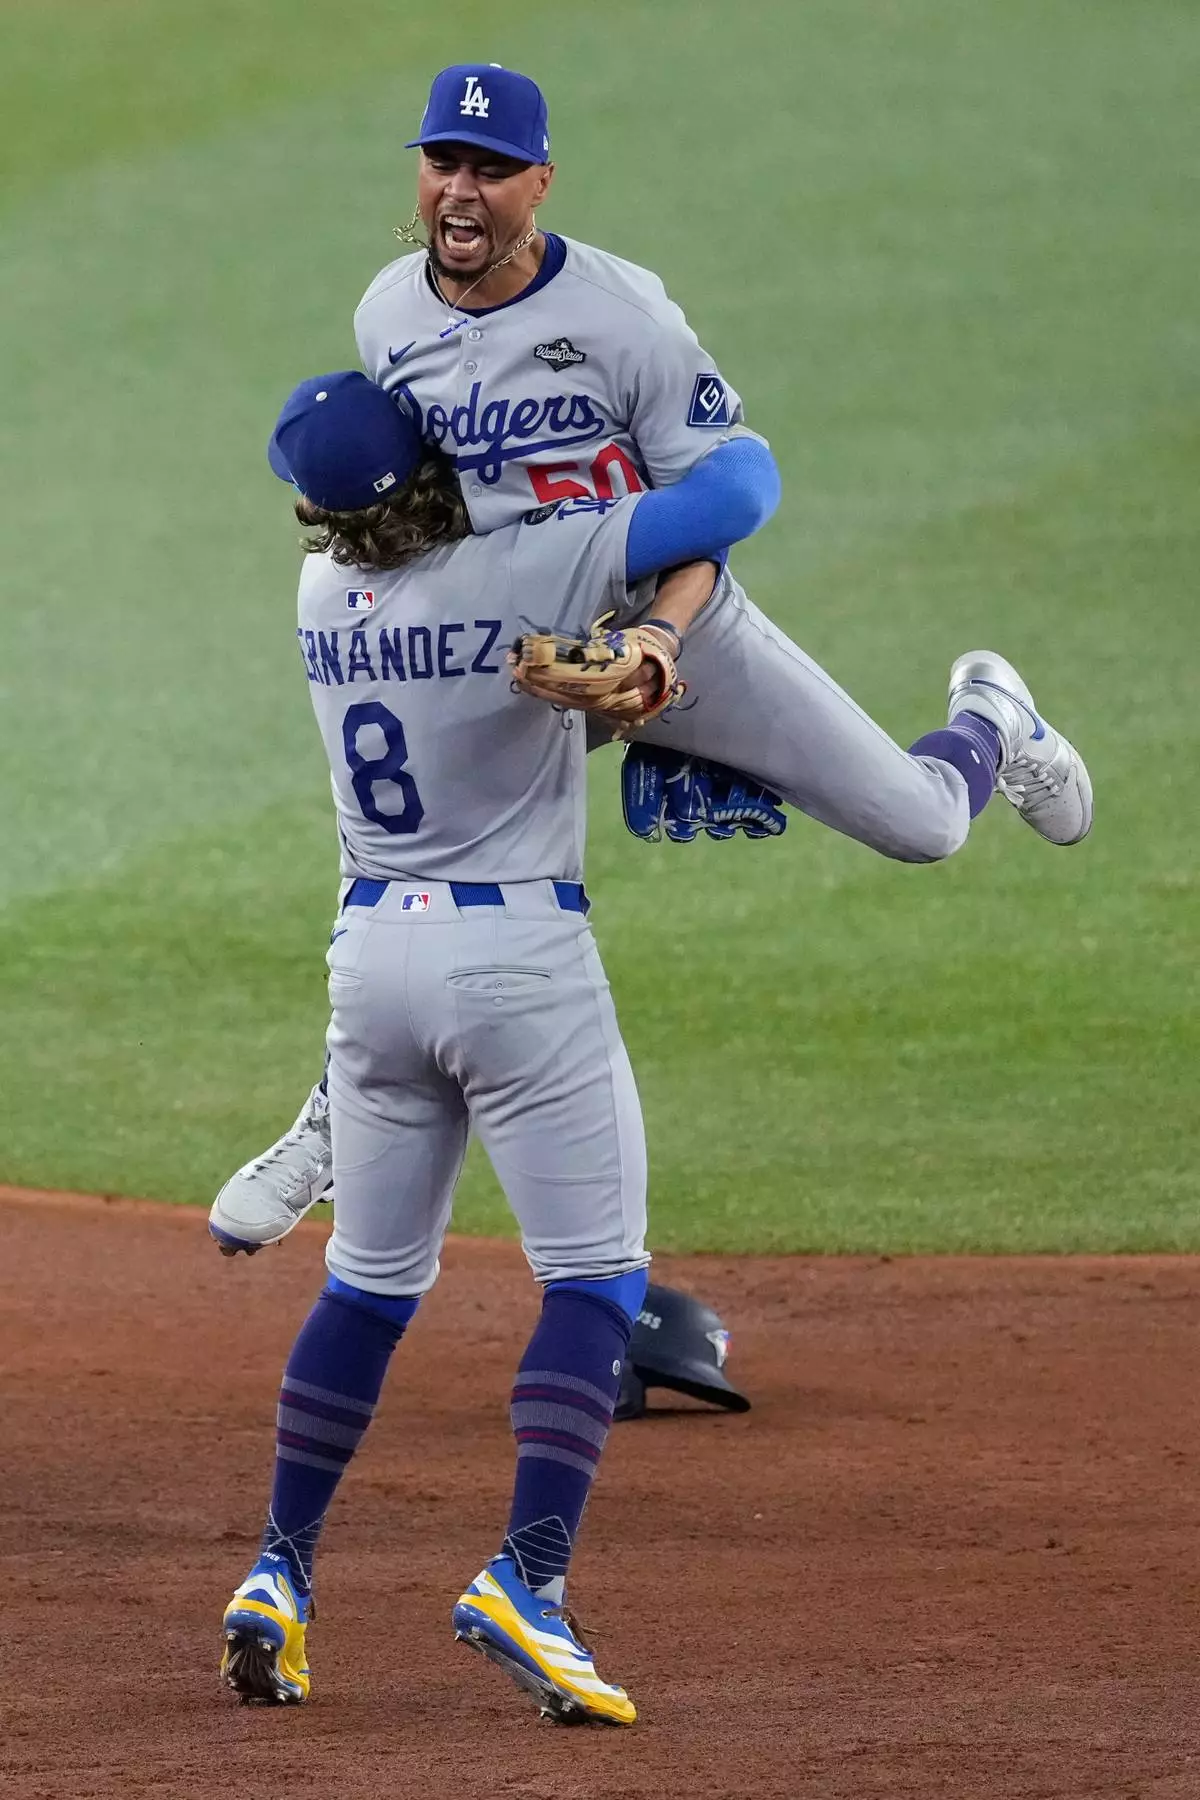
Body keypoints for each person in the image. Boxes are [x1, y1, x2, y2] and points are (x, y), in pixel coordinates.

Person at [209, 59, 1092, 1253]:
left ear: (542, 184)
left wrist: (661, 644)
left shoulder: (619, 318)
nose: (462, 192)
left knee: (923, 825)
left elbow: (736, 486)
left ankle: (994, 718)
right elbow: (416, 503)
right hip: (511, 637)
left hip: (670, 613)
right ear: (419, 174)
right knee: (404, 832)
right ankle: (341, 1109)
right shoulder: (389, 316)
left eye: (493, 170)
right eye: (443, 163)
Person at [220, 369, 778, 1723]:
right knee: (596, 1279)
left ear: (314, 507)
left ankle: (278, 1574)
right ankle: (529, 1579)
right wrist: (651, 621)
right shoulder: (522, 566)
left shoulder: (318, 599)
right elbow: (732, 495)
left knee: (367, 1287)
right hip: (515, 960)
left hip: (372, 966)